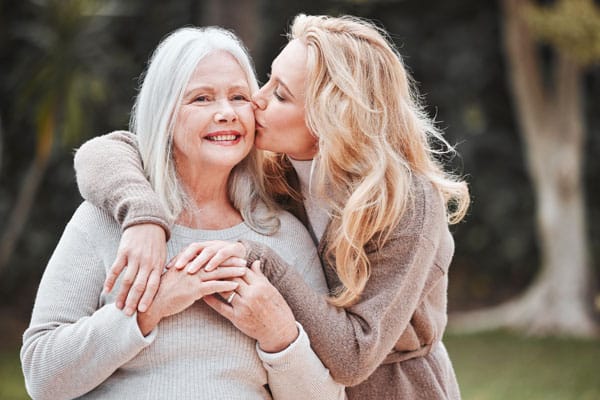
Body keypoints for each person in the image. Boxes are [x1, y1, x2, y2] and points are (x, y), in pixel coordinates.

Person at [74, 14, 470, 399]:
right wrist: (143, 218)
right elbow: (104, 150)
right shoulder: (274, 170)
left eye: (279, 94)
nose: (255, 100)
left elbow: (354, 355)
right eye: (267, 80)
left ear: (330, 119)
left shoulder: (405, 203)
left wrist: (255, 258)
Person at [20, 26, 346, 400]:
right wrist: (149, 308)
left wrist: (278, 334)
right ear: (166, 113)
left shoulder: (282, 235)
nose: (225, 113)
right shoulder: (106, 220)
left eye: (239, 96)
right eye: (202, 99)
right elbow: (42, 376)